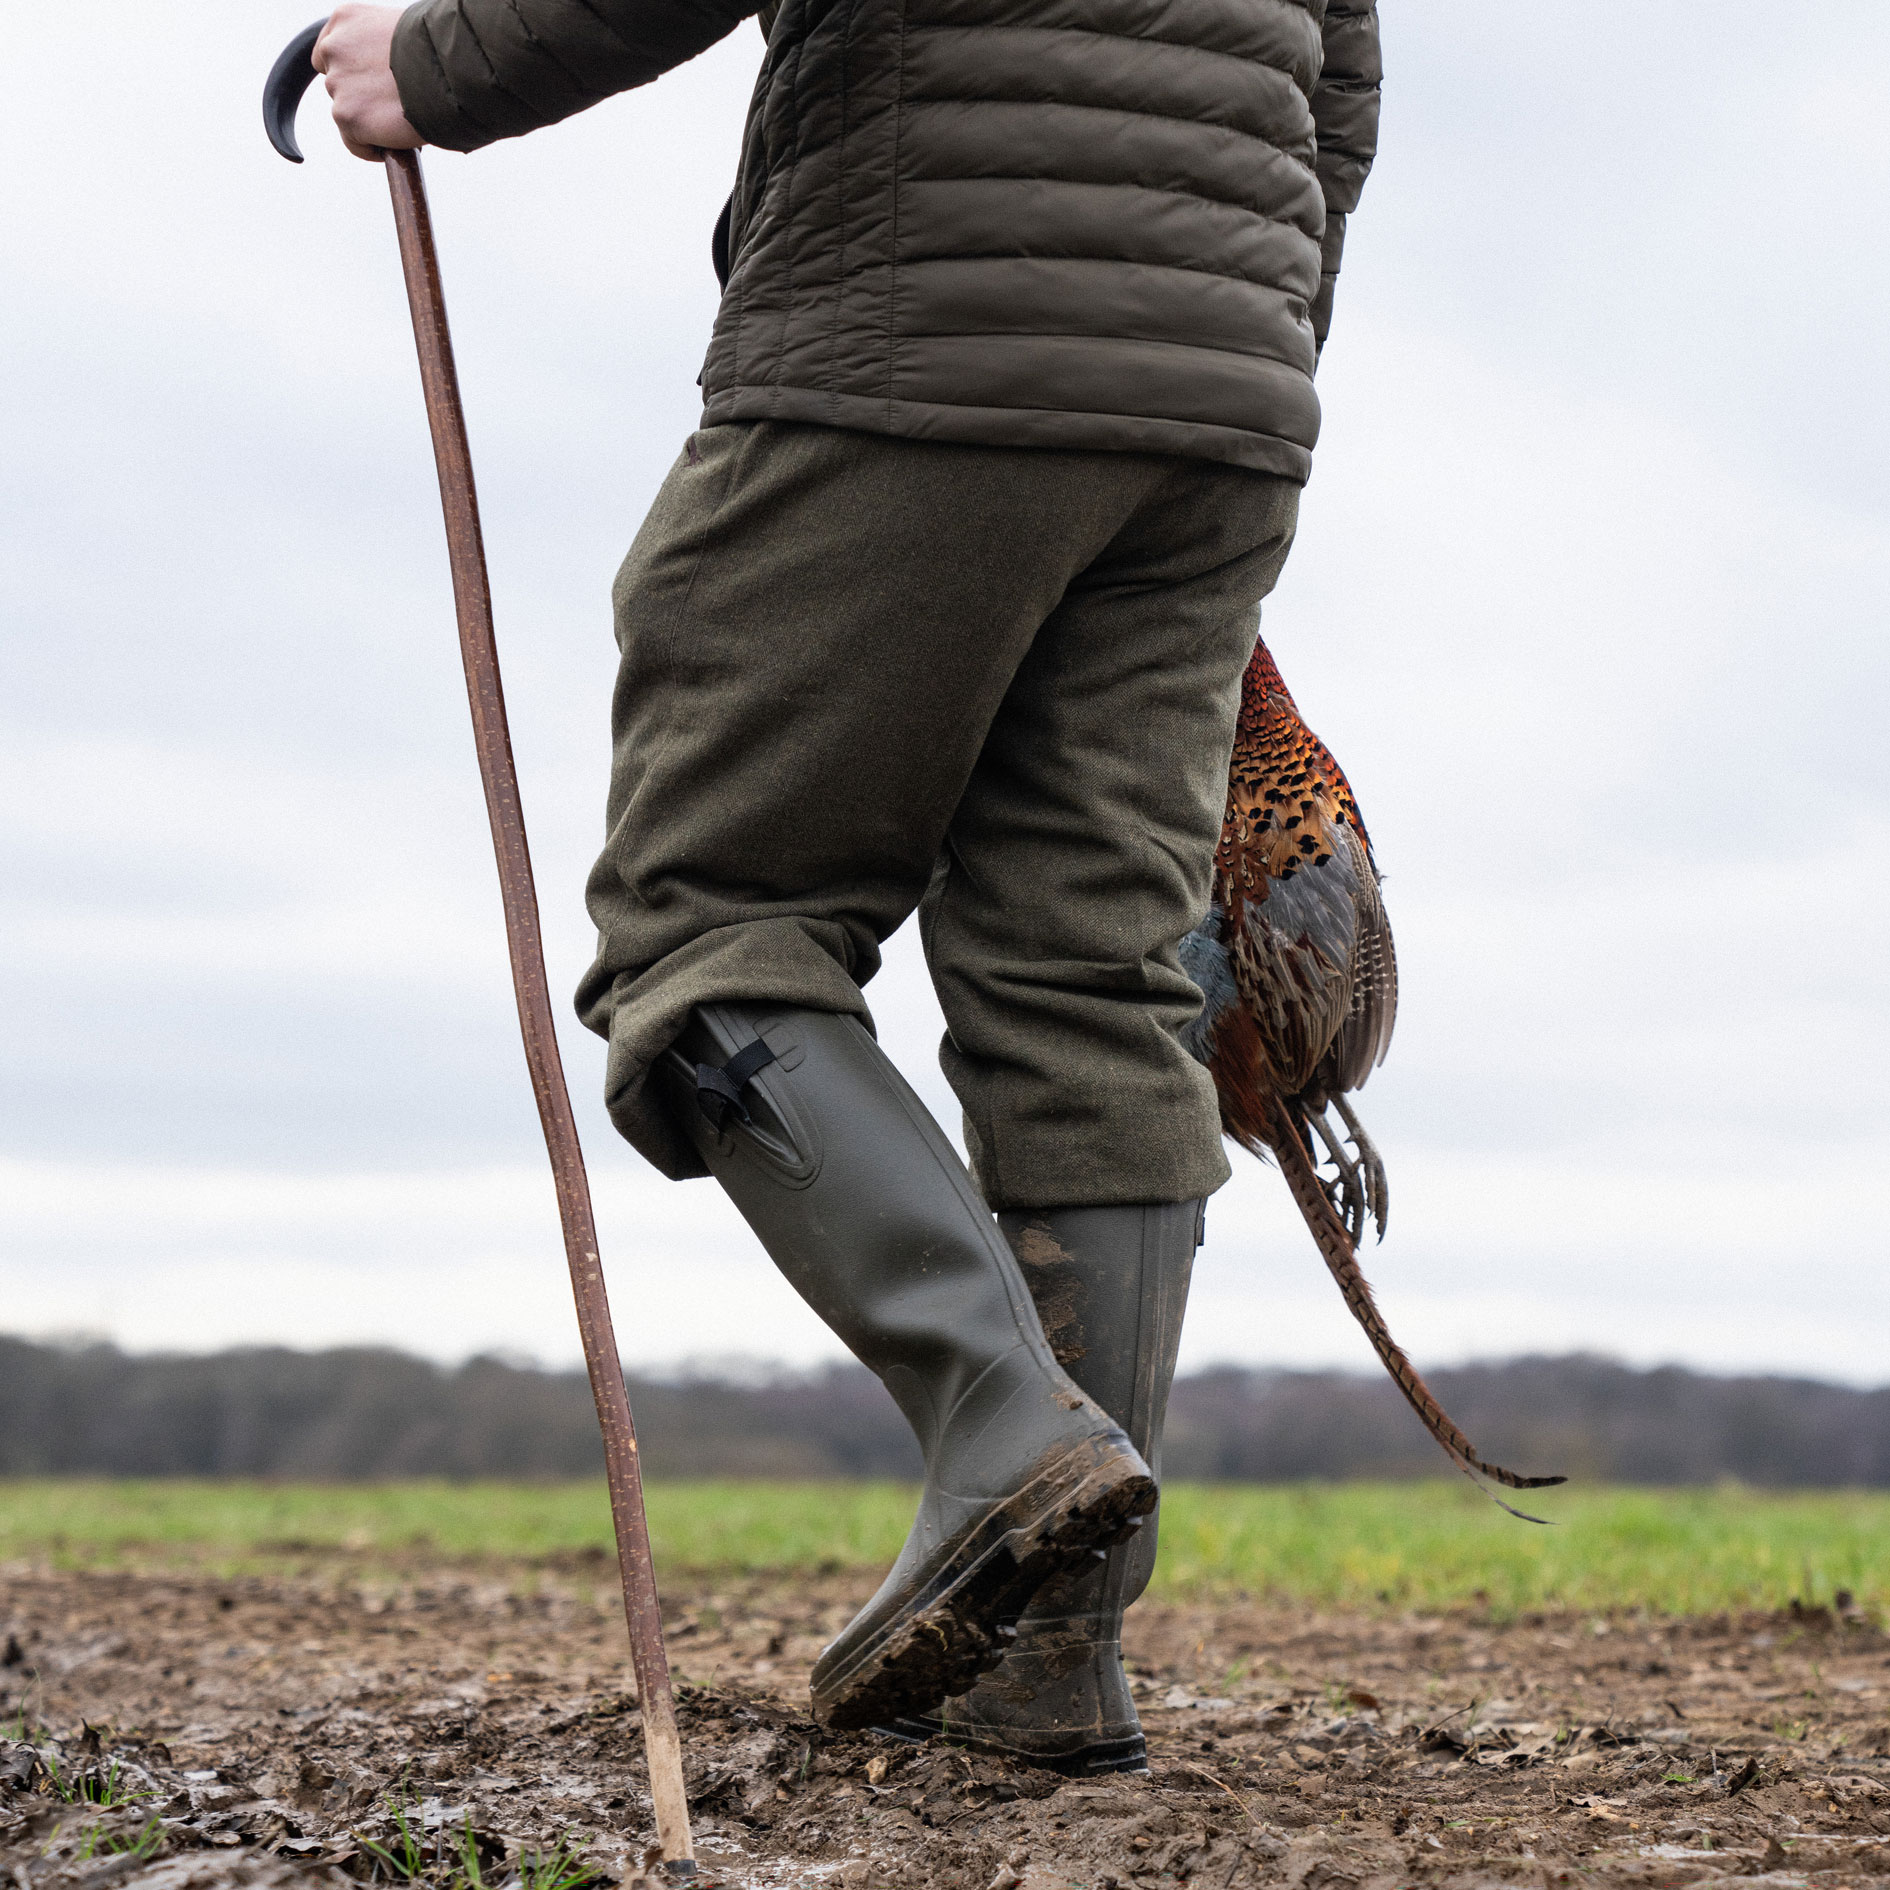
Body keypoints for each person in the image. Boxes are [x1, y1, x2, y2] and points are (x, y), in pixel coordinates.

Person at [314, 0, 1380, 1773]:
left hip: (916, 336)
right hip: (1223, 397)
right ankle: (1043, 1662)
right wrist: (1209, 354)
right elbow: (1333, 93)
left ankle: (995, 1416)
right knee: (1089, 981)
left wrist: (429, 65)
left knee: (710, 918)